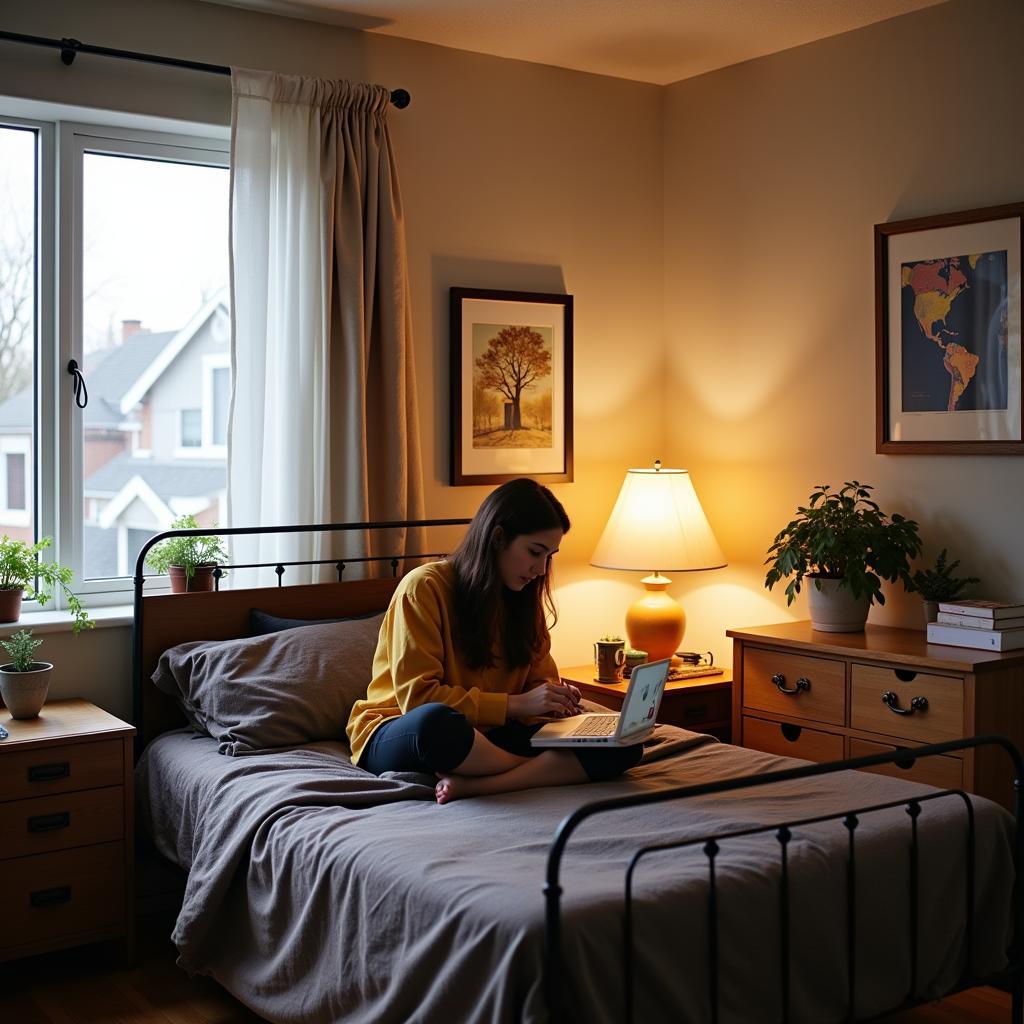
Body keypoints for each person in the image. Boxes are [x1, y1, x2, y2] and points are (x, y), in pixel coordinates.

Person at [346, 478, 644, 804]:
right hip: (400, 731)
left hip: (492, 737)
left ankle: (482, 783)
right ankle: (534, 771)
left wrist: (555, 705)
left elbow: (537, 681)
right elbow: (418, 700)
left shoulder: (523, 600)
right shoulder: (424, 588)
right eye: (535, 552)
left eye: (549, 556)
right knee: (438, 723)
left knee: (624, 741)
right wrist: (518, 704)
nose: (541, 569)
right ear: (498, 537)